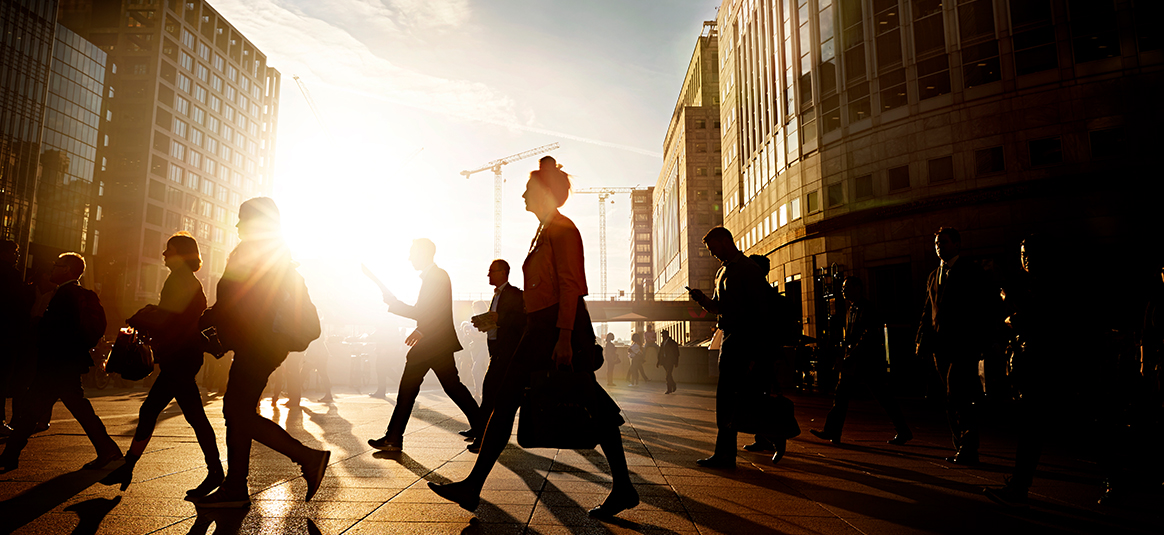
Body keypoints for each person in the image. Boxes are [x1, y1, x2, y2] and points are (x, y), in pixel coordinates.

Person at [428, 156, 637, 518]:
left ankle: (623, 487)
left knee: (593, 406)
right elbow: (539, 292)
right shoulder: (543, 230)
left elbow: (571, 286)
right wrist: (501, 317)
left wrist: (565, 338)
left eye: (527, 188)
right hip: (539, 328)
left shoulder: (562, 229)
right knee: (507, 400)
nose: (522, 194)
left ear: (543, 191)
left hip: (558, 328)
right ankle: (473, 487)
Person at [195, 197, 330, 508]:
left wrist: (214, 321)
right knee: (237, 412)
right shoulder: (277, 255)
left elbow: (239, 302)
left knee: (237, 411)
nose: (238, 225)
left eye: (243, 219)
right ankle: (236, 488)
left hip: (256, 345)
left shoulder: (252, 253)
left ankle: (307, 458)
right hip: (265, 345)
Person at [99, 232, 222, 497]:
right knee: (157, 412)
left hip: (181, 359)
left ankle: (215, 472)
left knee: (184, 415)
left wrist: (143, 317)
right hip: (181, 358)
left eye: (169, 250)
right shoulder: (185, 281)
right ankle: (128, 467)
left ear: (180, 255)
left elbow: (170, 318)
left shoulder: (180, 281)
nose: (164, 255)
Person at [0, 253, 121, 472]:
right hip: (65, 364)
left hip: (56, 365)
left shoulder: (65, 295)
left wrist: (38, 326)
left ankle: (10, 456)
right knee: (59, 409)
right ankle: (107, 449)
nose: (53, 268)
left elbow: (58, 331)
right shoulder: (74, 293)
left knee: (33, 409)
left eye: (57, 265)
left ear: (67, 270)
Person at [983, 236, 1081, 508]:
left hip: (1048, 366)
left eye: (1029, 253)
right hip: (1033, 364)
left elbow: (1041, 319)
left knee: (1061, 426)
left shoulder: (1050, 284)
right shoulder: (1027, 283)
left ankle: (1018, 487)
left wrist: (1013, 306)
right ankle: (1018, 486)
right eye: (1022, 253)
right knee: (1038, 428)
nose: (1024, 258)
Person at [367, 239, 482, 451]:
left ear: (423, 254)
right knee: (452, 387)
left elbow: (428, 311)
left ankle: (393, 438)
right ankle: (482, 428)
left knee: (410, 389)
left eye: (412, 253)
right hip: (437, 343)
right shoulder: (436, 276)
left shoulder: (435, 277)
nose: (410, 258)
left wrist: (397, 306)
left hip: (431, 343)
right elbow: (429, 311)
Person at [688, 226, 777, 468]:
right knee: (727, 400)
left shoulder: (748, 270)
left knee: (735, 399)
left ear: (726, 241)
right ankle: (726, 452)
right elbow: (718, 307)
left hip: (743, 341)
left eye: (713, 248)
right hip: (730, 339)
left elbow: (762, 312)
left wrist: (756, 352)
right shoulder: (723, 272)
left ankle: (736, 449)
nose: (712, 254)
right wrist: (703, 300)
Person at [916, 227, 994, 465]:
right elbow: (928, 311)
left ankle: (969, 446)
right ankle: (961, 444)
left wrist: (981, 341)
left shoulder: (970, 271)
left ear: (957, 245)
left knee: (958, 394)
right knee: (950, 397)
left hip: (964, 345)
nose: (939, 247)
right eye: (937, 243)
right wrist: (921, 339)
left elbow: (983, 306)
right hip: (941, 346)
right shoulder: (933, 276)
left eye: (944, 242)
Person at [809, 277, 911, 445]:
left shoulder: (867, 308)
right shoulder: (851, 309)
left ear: (858, 288)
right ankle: (832, 431)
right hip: (854, 362)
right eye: (843, 287)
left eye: (846, 287)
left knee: (883, 398)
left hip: (867, 362)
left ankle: (903, 430)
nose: (843, 290)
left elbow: (868, 336)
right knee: (841, 395)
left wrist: (852, 355)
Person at [466, 259, 526, 453]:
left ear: (503, 273)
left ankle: (481, 439)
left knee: (490, 393)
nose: (488, 275)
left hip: (506, 354)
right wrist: (485, 324)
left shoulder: (515, 294)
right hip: (497, 351)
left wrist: (500, 318)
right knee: (498, 398)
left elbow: (522, 319)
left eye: (491, 271)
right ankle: (485, 437)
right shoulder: (498, 296)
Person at [0, 240, 33, 435]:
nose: (17, 256)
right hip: (7, 336)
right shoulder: (11, 275)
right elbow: (19, 307)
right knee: (3, 379)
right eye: (14, 252)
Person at [658, 329, 680, 394]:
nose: (662, 336)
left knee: (668, 375)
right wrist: (659, 361)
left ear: (666, 335)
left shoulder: (672, 343)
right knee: (669, 375)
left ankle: (669, 389)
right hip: (664, 361)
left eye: (663, 335)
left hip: (670, 361)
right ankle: (673, 384)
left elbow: (676, 353)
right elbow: (660, 352)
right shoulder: (663, 343)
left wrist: (676, 362)